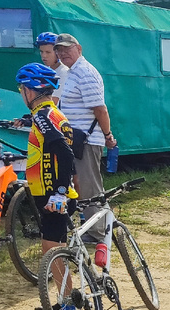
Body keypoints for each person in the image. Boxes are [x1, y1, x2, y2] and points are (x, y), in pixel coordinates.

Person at [15, 64, 78, 310]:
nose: (22, 93)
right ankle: (64, 303)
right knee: (53, 252)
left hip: (53, 195)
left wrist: (60, 192)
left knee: (54, 254)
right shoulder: (49, 113)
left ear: (30, 91)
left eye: (22, 89)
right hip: (52, 193)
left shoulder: (43, 116)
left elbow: (64, 152)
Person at [54, 33, 115, 223]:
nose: (62, 53)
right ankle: (104, 225)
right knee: (84, 186)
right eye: (59, 50)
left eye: (67, 49)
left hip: (86, 140)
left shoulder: (85, 73)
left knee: (89, 188)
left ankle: (98, 232)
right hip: (75, 139)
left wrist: (107, 135)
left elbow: (100, 109)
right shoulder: (71, 72)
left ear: (79, 49)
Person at [34, 32, 68, 97]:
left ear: (58, 53)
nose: (44, 56)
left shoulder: (63, 73)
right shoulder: (46, 71)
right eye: (41, 51)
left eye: (48, 52)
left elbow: (54, 100)